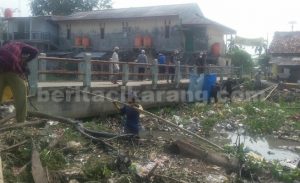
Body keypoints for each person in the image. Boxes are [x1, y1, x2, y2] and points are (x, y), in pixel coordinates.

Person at [0, 41, 38, 122]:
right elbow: (35, 51)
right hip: (12, 70)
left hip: (2, 69)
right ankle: (21, 120)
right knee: (21, 94)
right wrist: (25, 62)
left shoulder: (3, 48)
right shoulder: (20, 45)